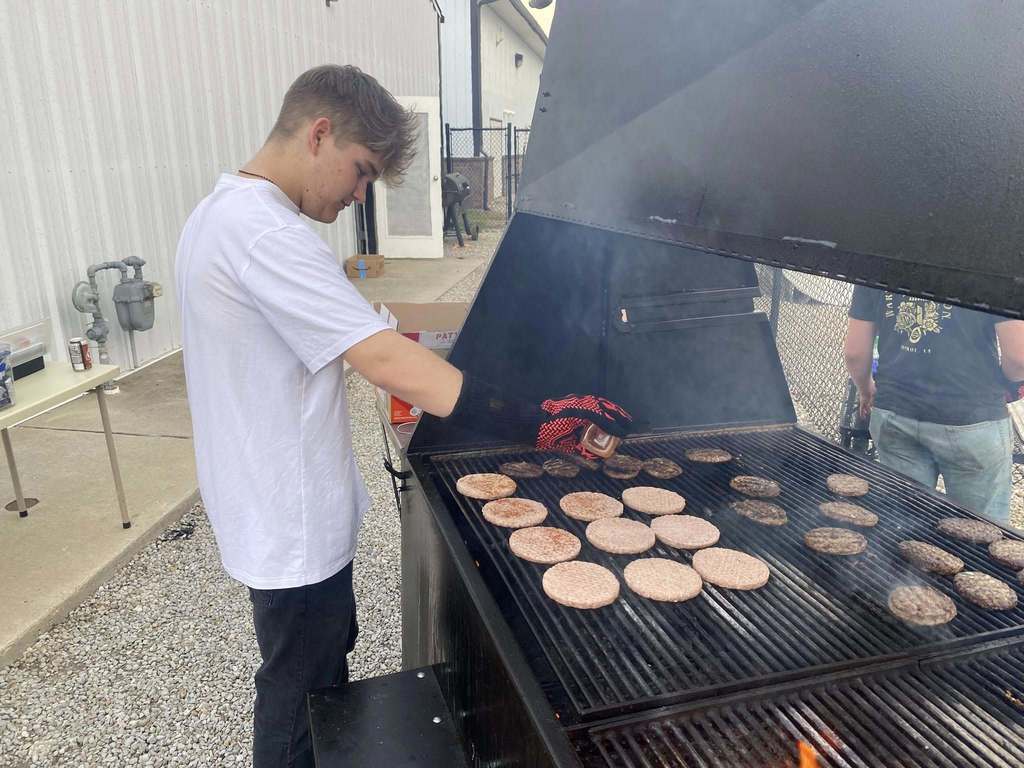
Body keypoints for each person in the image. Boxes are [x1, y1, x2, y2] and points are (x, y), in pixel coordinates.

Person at [174, 65, 630, 768]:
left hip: (273, 512)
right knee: (300, 710)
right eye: (361, 173)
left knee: (313, 686)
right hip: (290, 525)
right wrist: (532, 419)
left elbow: (377, 331)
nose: (360, 194)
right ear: (319, 133)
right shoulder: (266, 234)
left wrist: (477, 351)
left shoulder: (221, 213)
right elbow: (385, 362)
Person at [843, 286, 1024, 523]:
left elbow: (855, 353)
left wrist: (866, 390)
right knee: (980, 533)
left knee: (902, 526)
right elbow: (1019, 357)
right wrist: (1006, 384)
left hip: (894, 414)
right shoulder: (991, 255)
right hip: (972, 417)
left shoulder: (878, 252)